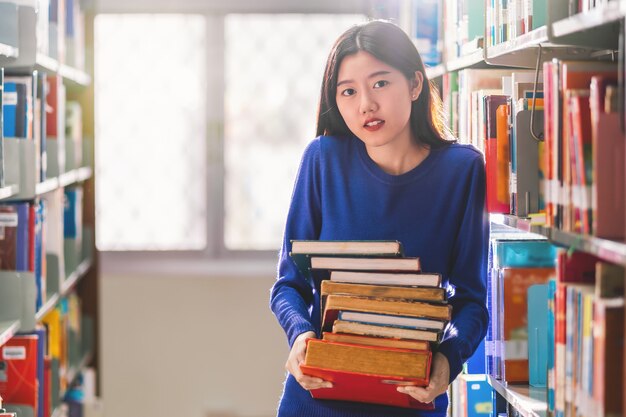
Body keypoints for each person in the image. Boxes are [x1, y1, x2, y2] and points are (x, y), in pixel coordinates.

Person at [270, 19, 489, 417]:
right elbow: (288, 285)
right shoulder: (322, 160)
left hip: (410, 396)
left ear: (416, 85)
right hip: (317, 397)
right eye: (348, 91)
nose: (365, 104)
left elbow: (472, 301)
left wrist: (448, 360)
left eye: (381, 83)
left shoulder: (463, 170)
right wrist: (299, 335)